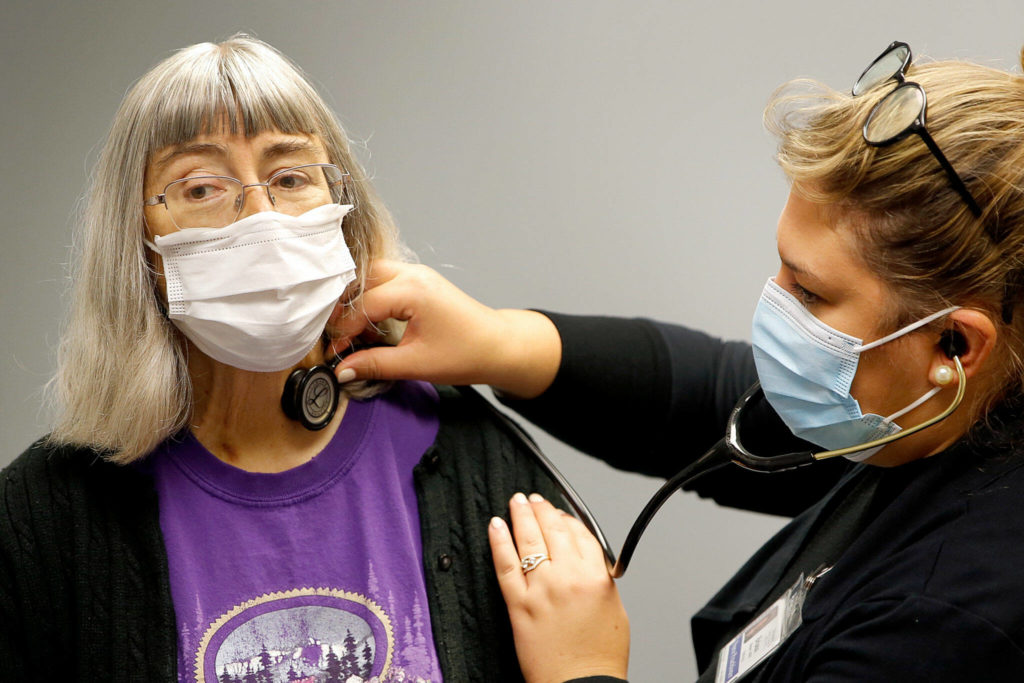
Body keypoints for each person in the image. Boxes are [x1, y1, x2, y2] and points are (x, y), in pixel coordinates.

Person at [328, 41, 1024, 680]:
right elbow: (720, 398)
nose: (773, 307)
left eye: (810, 292)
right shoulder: (944, 405)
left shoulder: (953, 621)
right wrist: (499, 343)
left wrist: (582, 666)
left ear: (955, 345)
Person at [0, 35, 572, 683]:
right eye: (201, 187)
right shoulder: (41, 518)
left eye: (291, 177)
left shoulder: (471, 454)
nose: (261, 217)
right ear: (142, 249)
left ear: (340, 214)